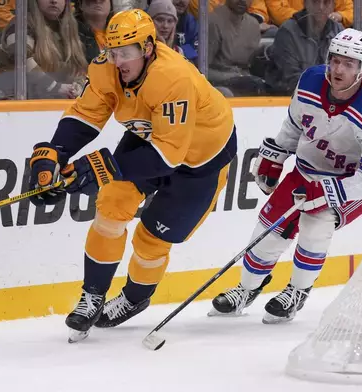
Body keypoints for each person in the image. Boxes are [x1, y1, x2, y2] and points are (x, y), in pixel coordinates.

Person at [26, 9, 237, 342]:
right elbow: (86, 113)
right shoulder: (106, 68)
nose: (118, 61)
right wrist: (55, 154)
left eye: (127, 53)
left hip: (200, 161)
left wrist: (95, 167)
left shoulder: (173, 77)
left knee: (152, 238)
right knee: (111, 206)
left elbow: (168, 155)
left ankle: (135, 297)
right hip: (148, 138)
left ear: (149, 48)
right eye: (113, 52)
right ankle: (93, 294)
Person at [210, 28, 362, 324]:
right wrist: (277, 155)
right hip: (306, 171)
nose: (338, 69)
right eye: (335, 60)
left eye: (349, 64)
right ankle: (246, 289)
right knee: (267, 232)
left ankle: (297, 291)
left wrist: (330, 191)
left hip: (350, 182)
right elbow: (295, 124)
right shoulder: (311, 80)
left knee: (316, 222)